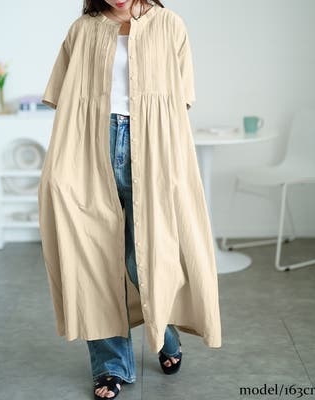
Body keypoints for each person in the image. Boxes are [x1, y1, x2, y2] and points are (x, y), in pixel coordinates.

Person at [38, 0, 222, 399]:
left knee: (148, 258)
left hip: (153, 148)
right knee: (93, 261)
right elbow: (64, 98)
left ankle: (165, 334)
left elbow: (179, 100)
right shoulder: (83, 29)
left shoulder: (170, 24)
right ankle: (110, 366)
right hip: (91, 145)